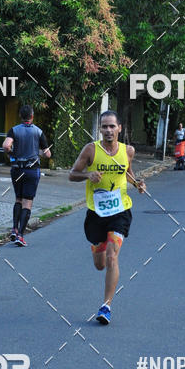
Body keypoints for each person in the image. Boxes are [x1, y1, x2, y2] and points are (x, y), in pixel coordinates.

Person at [69, 110, 146, 324]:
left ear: (120, 128)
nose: (108, 130)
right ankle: (97, 247)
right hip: (96, 213)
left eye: (112, 126)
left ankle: (106, 306)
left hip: (120, 211)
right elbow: (72, 174)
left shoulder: (127, 150)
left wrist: (137, 183)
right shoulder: (91, 150)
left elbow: (128, 173)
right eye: (104, 126)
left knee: (113, 256)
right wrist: (87, 175)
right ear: (100, 129)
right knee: (100, 264)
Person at [2, 104, 51, 247]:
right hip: (31, 171)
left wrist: (12, 153)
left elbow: (6, 146)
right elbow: (47, 153)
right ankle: (20, 236)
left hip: (17, 169)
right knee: (27, 202)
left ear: (20, 116)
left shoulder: (14, 130)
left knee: (18, 199)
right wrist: (40, 153)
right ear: (32, 116)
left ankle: (14, 229)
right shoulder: (38, 132)